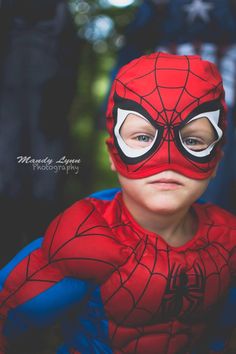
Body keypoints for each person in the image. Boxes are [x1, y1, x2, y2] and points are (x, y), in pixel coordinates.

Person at [0, 52, 236, 354]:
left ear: (216, 160)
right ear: (114, 154)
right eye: (142, 137)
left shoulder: (227, 240)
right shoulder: (85, 239)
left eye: (193, 141)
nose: (166, 160)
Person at [101, 0, 236, 213]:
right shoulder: (158, 7)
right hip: (162, 103)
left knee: (219, 187)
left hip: (226, 104)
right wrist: (112, 106)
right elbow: (133, 45)